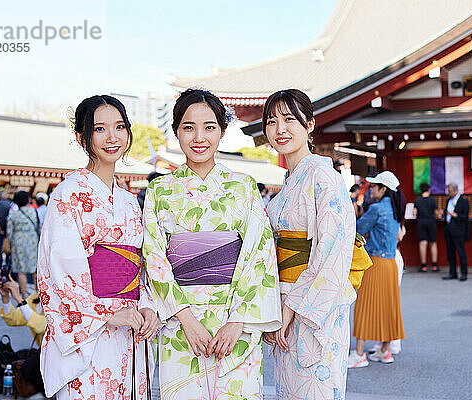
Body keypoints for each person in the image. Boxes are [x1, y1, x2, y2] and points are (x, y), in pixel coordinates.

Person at [142, 89, 281, 399]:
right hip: (180, 322)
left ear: (222, 130)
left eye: (209, 126)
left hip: (235, 323)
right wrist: (187, 320)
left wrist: (237, 321)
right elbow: (153, 258)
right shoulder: (160, 190)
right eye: (188, 127)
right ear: (176, 130)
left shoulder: (243, 186)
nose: (199, 137)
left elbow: (259, 253)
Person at [37, 95, 159, 399]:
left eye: (119, 127)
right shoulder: (68, 195)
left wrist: (148, 305)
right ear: (82, 138)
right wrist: (107, 313)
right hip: (91, 331)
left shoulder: (131, 202)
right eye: (100, 129)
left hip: (131, 327)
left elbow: (140, 268)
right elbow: (59, 273)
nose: (112, 137)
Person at [261, 89, 356, 398]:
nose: (280, 130)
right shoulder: (290, 182)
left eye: (290, 119)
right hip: (285, 301)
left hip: (312, 307)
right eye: (272, 122)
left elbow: (333, 250)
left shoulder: (323, 177)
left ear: (310, 125)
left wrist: (289, 308)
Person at [349, 171, 405, 368]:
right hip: (390, 263)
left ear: (383, 189)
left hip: (374, 262)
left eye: (374, 187)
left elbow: (356, 230)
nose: (371, 190)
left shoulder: (377, 209)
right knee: (389, 308)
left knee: (364, 306)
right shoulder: (396, 209)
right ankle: (384, 351)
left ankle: (359, 354)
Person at [7, 191, 40, 297]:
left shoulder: (13, 215)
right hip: (33, 242)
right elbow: (39, 228)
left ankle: (24, 296)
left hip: (18, 243)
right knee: (35, 270)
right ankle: (37, 295)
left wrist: (11, 242)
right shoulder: (35, 212)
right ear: (28, 199)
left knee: (21, 271)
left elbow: (9, 232)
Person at [442, 183, 470, 281]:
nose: (448, 193)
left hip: (458, 229)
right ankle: (452, 272)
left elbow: (465, 216)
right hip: (448, 229)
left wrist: (456, 215)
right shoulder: (448, 200)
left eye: (450, 191)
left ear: (456, 190)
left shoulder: (463, 201)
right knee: (450, 252)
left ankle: (463, 273)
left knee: (461, 251)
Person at [413, 182, 439, 272]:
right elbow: (436, 213)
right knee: (433, 243)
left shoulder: (417, 200)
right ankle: (434, 265)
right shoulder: (432, 200)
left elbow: (414, 213)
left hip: (421, 222)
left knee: (423, 244)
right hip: (431, 222)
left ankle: (423, 266)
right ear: (429, 189)